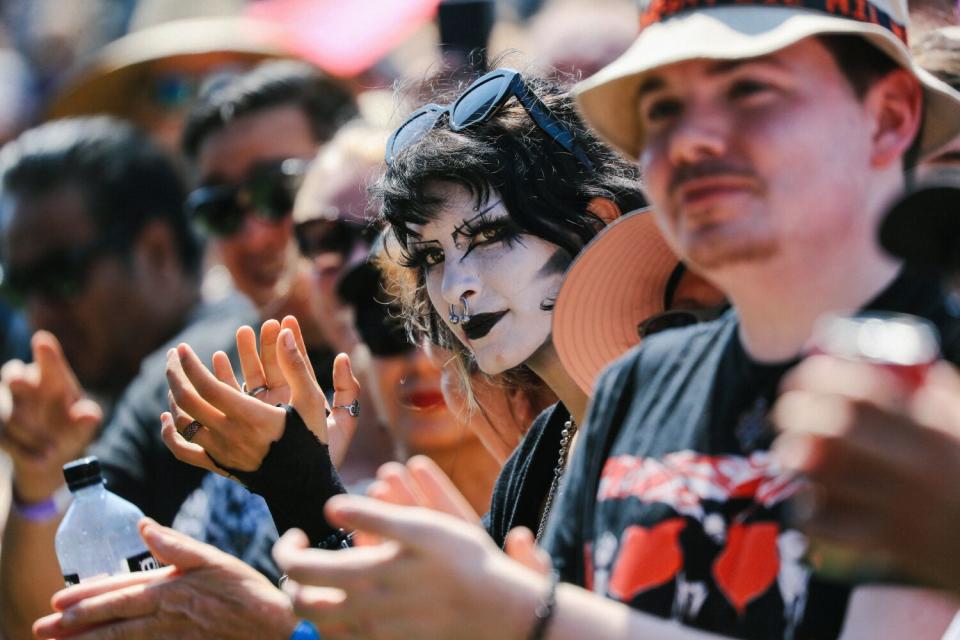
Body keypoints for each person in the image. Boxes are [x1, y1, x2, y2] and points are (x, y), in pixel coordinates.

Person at [266, 1, 960, 638]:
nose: (689, 140)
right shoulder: (636, 390)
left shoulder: (941, 383)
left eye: (751, 91)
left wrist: (520, 615)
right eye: (660, 109)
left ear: (891, 115)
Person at [0, 116, 258, 639]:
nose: (39, 314)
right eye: (20, 288)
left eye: (61, 276)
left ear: (158, 251)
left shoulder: (195, 374)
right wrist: (37, 480)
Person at [180, 59, 358, 394]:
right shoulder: (190, 375)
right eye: (220, 208)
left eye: (277, 192)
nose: (253, 236)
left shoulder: (440, 344)